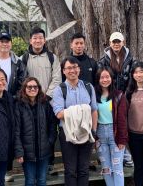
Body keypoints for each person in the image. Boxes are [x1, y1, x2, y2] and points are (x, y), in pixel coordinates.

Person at [21, 27, 61, 175]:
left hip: (48, 103)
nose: (38, 41)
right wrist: (31, 97)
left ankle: (49, 165)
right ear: (30, 40)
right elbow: (22, 80)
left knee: (49, 131)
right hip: (30, 103)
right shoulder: (24, 59)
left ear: (44, 40)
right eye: (35, 38)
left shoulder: (52, 57)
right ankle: (33, 165)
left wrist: (46, 96)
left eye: (40, 38)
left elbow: (57, 78)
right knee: (32, 132)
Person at [52, 56, 98, 186]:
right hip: (67, 134)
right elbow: (59, 114)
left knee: (84, 169)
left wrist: (93, 131)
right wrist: (82, 110)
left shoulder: (89, 87)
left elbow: (94, 110)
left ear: (79, 69)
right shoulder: (60, 90)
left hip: (86, 132)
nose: (72, 70)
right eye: (69, 68)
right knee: (70, 170)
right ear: (63, 71)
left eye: (75, 67)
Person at [98, 31, 134, 167]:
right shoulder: (103, 60)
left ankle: (125, 154)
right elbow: (101, 78)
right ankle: (121, 155)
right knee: (112, 125)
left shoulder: (130, 59)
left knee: (123, 124)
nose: (116, 44)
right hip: (109, 97)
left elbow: (132, 78)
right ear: (110, 43)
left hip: (124, 98)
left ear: (123, 42)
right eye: (114, 42)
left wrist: (125, 95)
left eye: (119, 41)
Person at [14, 77, 58, 186]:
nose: (32, 89)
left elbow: (52, 124)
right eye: (29, 87)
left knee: (42, 180)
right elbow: (16, 130)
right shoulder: (19, 105)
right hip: (27, 152)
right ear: (24, 89)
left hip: (44, 150)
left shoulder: (45, 104)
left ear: (39, 88)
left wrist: (50, 141)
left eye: (35, 86)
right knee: (29, 181)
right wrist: (19, 151)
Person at [95, 66, 128, 186]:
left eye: (107, 77)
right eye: (102, 77)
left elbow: (123, 119)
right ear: (98, 79)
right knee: (106, 168)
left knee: (117, 168)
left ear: (111, 78)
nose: (105, 80)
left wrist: (122, 139)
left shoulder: (119, 96)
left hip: (115, 133)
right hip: (100, 134)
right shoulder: (94, 96)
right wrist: (95, 137)